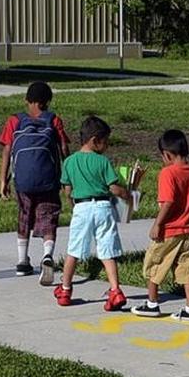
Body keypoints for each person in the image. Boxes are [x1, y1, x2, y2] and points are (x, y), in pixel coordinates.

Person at [53, 116, 133, 311]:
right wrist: (128, 195)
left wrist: (73, 205)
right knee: (107, 250)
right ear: (95, 140)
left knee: (74, 250)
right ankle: (115, 290)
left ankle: (65, 289)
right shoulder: (102, 161)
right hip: (103, 208)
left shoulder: (70, 162)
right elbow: (113, 188)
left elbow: (68, 190)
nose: (107, 146)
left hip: (81, 207)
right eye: (105, 142)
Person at [0, 81, 70, 284]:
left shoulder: (15, 120)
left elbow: (6, 150)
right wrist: (68, 177)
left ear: (26, 100)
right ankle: (47, 255)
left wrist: (3, 179)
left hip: (23, 182)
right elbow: (64, 149)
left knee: (24, 216)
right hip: (48, 180)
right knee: (48, 216)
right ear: (47, 102)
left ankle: (22, 261)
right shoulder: (53, 120)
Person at [131, 130, 189, 322]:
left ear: (167, 154)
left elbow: (168, 202)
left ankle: (152, 304)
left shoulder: (167, 173)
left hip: (169, 230)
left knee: (154, 263)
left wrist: (157, 224)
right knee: (187, 268)